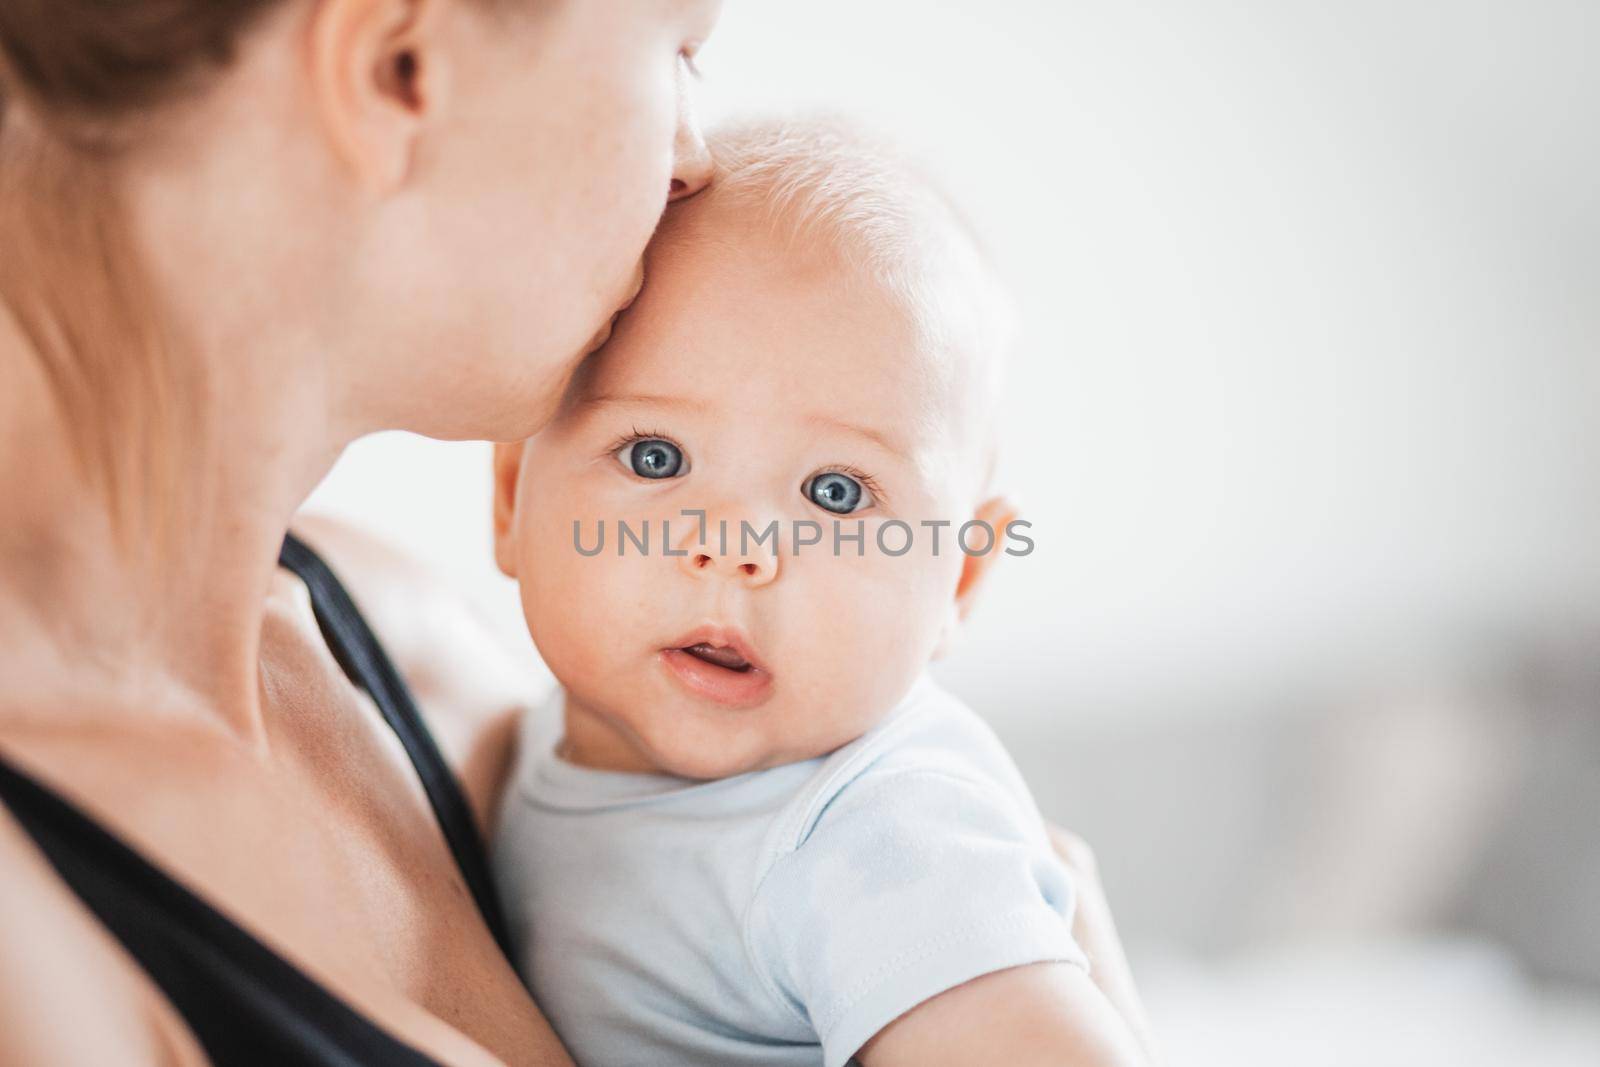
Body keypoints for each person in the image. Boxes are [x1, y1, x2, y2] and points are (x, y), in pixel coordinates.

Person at [0, 1, 1147, 1064]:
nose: (694, 157)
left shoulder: (434, 659)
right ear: (399, 68)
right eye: (676, 49)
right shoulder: (33, 947)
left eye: (836, 493)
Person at [489, 119, 1159, 1066]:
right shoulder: (527, 738)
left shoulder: (877, 836)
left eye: (835, 494)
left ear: (958, 579)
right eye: (655, 455)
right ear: (514, 498)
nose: (736, 547)